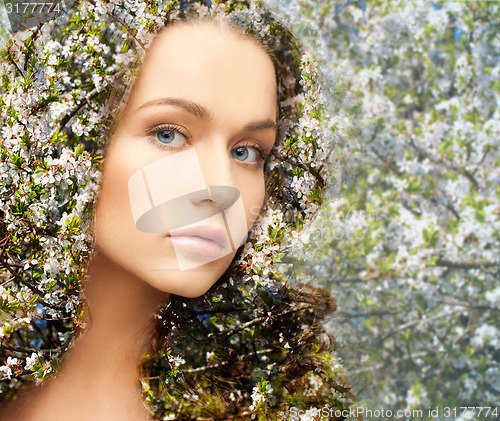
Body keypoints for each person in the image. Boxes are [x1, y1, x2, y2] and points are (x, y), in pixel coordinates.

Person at [0, 0, 358, 419]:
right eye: (169, 134)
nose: (221, 188)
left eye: (247, 151)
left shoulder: (286, 402)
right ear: (66, 141)